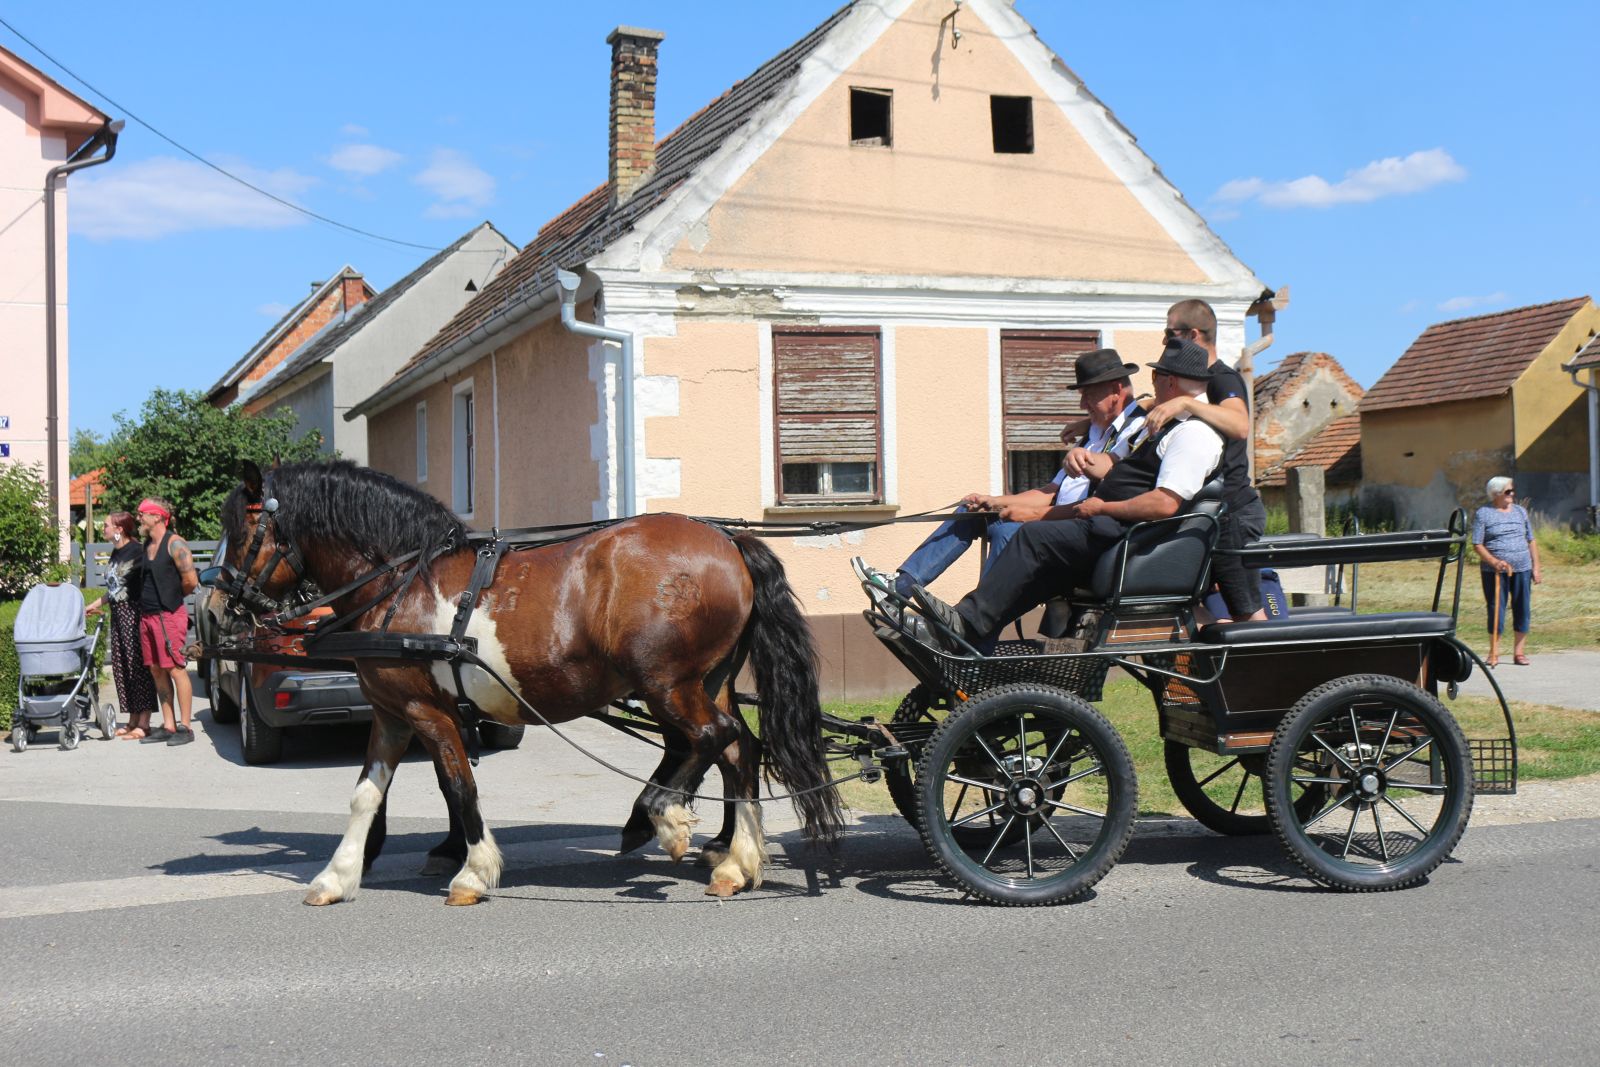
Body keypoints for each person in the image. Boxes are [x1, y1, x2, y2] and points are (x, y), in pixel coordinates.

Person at [894, 339, 1224, 650]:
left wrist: (1100, 506)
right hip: (1100, 526)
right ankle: (958, 629)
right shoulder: (1156, 427)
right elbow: (1107, 464)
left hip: (1124, 537)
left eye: (1156, 377)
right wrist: (1074, 458)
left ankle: (964, 627)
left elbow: (1165, 503)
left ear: (1168, 381)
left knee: (1032, 538)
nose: (1151, 386)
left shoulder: (1192, 435)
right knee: (1038, 563)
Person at [866, 350, 1148, 609]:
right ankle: (899, 589)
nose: (1083, 404)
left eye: (1089, 395)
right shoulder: (1095, 432)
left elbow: (1108, 482)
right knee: (971, 511)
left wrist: (1029, 515)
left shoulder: (1136, 429)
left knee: (1006, 532)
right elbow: (1051, 491)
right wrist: (995, 501)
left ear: (1116, 390)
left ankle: (974, 627)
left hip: (1077, 532)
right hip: (1053, 518)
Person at [1142, 299, 1268, 623]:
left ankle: (1279, 672)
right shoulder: (1194, 378)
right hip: (1206, 514)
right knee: (1193, 606)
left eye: (1169, 334)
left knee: (1248, 615)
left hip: (1232, 513)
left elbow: (1239, 425)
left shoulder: (1222, 378)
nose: (1163, 343)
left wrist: (1186, 401)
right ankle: (1222, 670)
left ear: (1193, 334)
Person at [84, 512, 160, 739]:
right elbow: (114, 589)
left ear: (119, 528)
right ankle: (133, 719)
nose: (103, 529)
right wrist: (92, 605)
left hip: (134, 614)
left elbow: (146, 581)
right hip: (118, 615)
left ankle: (144, 722)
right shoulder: (117, 551)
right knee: (122, 668)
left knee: (138, 667)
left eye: (106, 525)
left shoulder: (137, 551)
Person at [134, 498, 200, 746]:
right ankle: (169, 725)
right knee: (157, 669)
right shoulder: (147, 545)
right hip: (148, 616)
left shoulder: (176, 544)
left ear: (158, 517)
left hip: (168, 616)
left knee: (176, 668)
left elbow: (191, 581)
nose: (139, 518)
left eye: (143, 514)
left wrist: (173, 600)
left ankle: (185, 727)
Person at [1472, 476, 1542, 667]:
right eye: (1508, 491)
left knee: (1522, 608)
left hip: (1522, 568)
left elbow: (1531, 540)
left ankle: (1519, 653)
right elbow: (1477, 544)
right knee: (1496, 609)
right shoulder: (1483, 513)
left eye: (1512, 490)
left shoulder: (1520, 511)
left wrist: (1536, 567)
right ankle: (1494, 653)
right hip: (1494, 571)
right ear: (1496, 494)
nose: (1513, 494)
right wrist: (1494, 561)